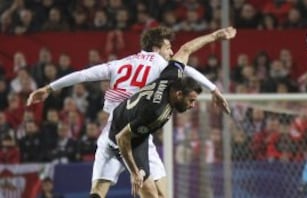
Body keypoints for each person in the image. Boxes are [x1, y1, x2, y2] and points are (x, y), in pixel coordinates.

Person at [26, 26, 230, 198]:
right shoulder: (161, 64)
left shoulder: (118, 64)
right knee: (156, 194)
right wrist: (214, 89)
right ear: (156, 48)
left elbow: (83, 75)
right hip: (134, 135)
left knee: (98, 191)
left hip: (114, 131)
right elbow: (185, 64)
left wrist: (49, 88)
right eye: (168, 48)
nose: (171, 52)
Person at [108, 27, 237, 197]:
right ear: (178, 94)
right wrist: (134, 172)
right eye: (191, 101)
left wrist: (215, 36)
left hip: (138, 131)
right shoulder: (155, 111)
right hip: (121, 136)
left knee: (164, 195)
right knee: (151, 194)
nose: (192, 106)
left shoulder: (171, 76)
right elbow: (122, 138)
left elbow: (186, 49)